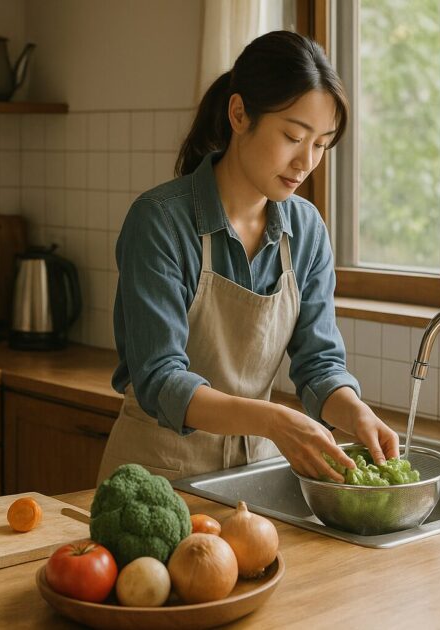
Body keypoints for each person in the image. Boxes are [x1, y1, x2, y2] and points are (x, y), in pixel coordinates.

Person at [99, 31, 400, 484]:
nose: (306, 163)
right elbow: (161, 380)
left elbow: (318, 365)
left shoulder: (308, 230)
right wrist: (274, 420)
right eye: (293, 137)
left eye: (321, 144)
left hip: (253, 478)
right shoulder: (159, 222)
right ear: (239, 114)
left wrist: (354, 412)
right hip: (155, 476)